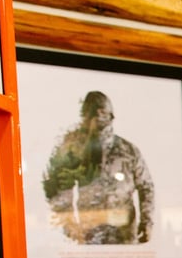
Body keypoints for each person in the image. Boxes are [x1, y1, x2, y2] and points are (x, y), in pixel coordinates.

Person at [42, 90, 155, 244]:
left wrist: (147, 222)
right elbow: (62, 190)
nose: (99, 117)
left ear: (111, 115)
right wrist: (70, 227)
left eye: (102, 112)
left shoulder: (128, 150)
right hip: (89, 236)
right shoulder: (76, 151)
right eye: (93, 113)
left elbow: (146, 187)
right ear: (86, 116)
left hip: (124, 236)